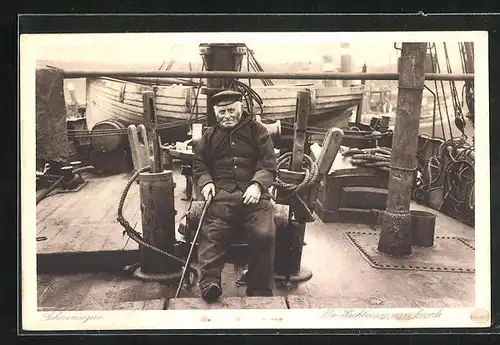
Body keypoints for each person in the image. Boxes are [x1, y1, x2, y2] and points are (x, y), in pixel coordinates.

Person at [193, 90, 278, 302]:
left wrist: (258, 185)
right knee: (212, 233)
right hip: (221, 196)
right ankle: (210, 282)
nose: (227, 115)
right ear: (215, 112)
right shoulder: (209, 136)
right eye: (222, 112)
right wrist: (206, 182)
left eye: (231, 110)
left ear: (240, 108)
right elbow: (199, 165)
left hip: (255, 197)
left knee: (264, 234)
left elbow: (268, 163)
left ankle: (259, 289)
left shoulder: (257, 131)